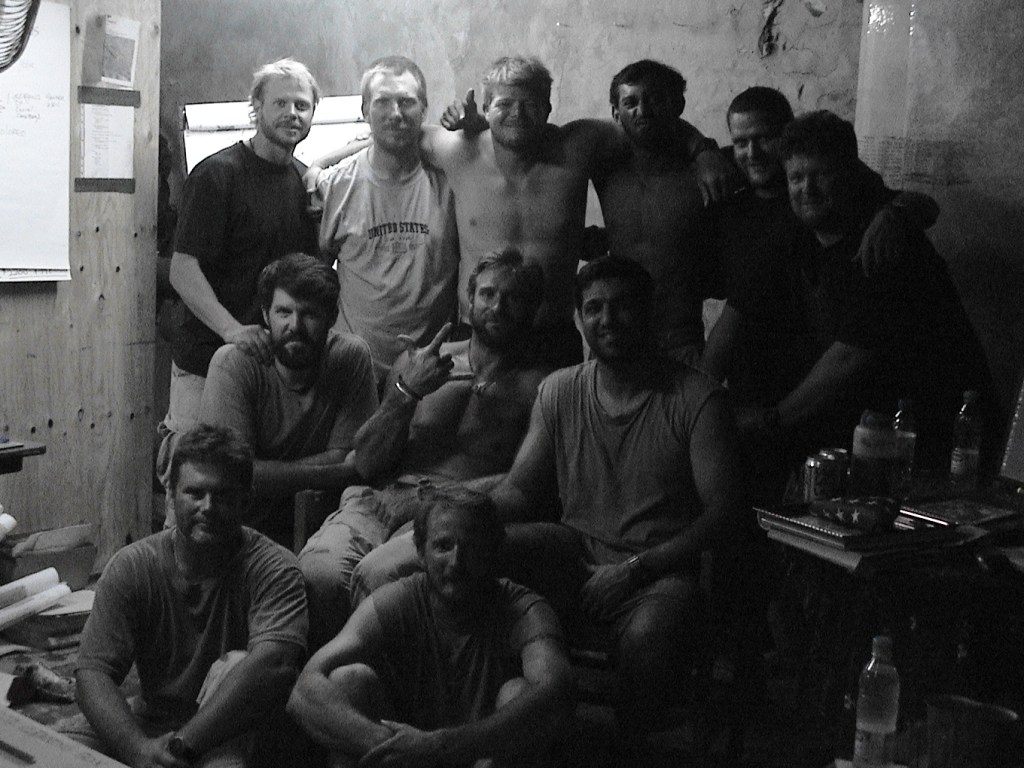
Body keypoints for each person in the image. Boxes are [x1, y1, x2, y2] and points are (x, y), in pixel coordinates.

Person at [490, 256, 745, 750]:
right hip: (575, 552)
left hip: (660, 568)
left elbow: (724, 514)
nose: (607, 319)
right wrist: (460, 514)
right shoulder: (560, 389)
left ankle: (624, 747)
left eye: (623, 306)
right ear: (579, 318)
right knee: (482, 553)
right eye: (594, 308)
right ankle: (516, 716)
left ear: (650, 312)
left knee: (647, 639)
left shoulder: (697, 398)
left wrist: (634, 570)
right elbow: (520, 489)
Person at [701, 88, 947, 498]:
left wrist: (771, 420)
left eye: (821, 176)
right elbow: (736, 314)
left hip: (921, 443)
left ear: (850, 175)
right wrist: (693, 406)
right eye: (796, 178)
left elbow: (850, 356)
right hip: (844, 435)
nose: (806, 189)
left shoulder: (885, 242)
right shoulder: (791, 234)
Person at [298, 248, 548, 644]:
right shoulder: (418, 362)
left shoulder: (544, 387)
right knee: (318, 574)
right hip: (380, 501)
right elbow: (367, 462)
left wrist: (431, 501)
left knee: (379, 575)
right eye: (487, 294)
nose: (497, 307)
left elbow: (527, 485)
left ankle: (374, 677)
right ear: (469, 299)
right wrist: (407, 392)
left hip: (458, 518)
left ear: (532, 309)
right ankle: (328, 674)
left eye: (512, 298)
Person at [424, 55, 736, 365]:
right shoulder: (457, 149)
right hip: (480, 334)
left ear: (548, 108)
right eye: (504, 104)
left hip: (552, 336)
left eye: (530, 104)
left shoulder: (577, 145)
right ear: (486, 106)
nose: (517, 114)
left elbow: (646, 124)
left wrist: (703, 150)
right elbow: (404, 130)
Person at [72, 424, 308, 768]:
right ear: (170, 495)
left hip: (234, 728)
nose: (208, 507)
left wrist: (180, 747)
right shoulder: (133, 566)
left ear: (246, 500)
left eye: (223, 496)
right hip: (153, 722)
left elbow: (274, 664)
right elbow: (92, 673)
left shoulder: (275, 569)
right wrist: (137, 749)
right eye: (195, 493)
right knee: (54, 749)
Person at [288, 484, 572, 768]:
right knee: (348, 680)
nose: (456, 562)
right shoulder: (397, 600)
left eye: (471, 548)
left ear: (492, 553)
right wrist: (392, 746)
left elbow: (556, 690)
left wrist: (438, 746)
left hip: (479, 758)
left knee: (518, 693)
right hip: (407, 760)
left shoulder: (524, 610)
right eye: (443, 547)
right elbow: (304, 689)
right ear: (421, 553)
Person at [158, 58, 320, 511]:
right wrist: (231, 330)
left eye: (302, 105)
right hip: (204, 363)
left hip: (263, 367)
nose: (292, 114)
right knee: (194, 490)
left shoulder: (301, 181)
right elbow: (183, 270)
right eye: (280, 103)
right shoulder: (218, 175)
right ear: (256, 107)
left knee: (240, 496)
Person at [198, 253, 378, 545]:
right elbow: (233, 474)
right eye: (284, 312)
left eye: (309, 314)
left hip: (321, 525)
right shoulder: (235, 363)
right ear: (265, 315)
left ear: (332, 317)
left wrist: (268, 473)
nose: (295, 325)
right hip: (238, 527)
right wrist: (328, 473)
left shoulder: (349, 357)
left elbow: (354, 461)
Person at [312, 56, 459, 384]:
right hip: (354, 371)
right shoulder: (337, 187)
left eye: (406, 102)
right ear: (365, 111)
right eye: (382, 102)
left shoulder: (452, 183)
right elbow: (317, 275)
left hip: (433, 370)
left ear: (424, 108)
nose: (395, 113)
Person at [590, 59, 720, 363]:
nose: (643, 111)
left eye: (656, 99)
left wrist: (703, 148)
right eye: (630, 103)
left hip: (681, 337)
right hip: (614, 336)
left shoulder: (703, 173)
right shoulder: (603, 165)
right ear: (616, 113)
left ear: (678, 105)